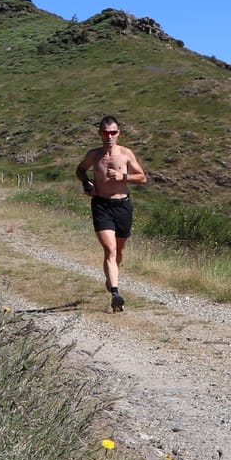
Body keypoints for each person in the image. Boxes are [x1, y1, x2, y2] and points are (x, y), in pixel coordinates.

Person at [75, 114, 147, 312]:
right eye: (106, 132)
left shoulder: (125, 154)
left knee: (119, 251)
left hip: (122, 205)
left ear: (118, 133)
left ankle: (111, 278)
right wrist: (85, 181)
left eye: (113, 132)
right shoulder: (94, 155)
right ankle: (115, 293)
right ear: (100, 133)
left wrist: (123, 176)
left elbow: (142, 178)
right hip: (100, 205)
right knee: (110, 249)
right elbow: (80, 169)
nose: (109, 136)